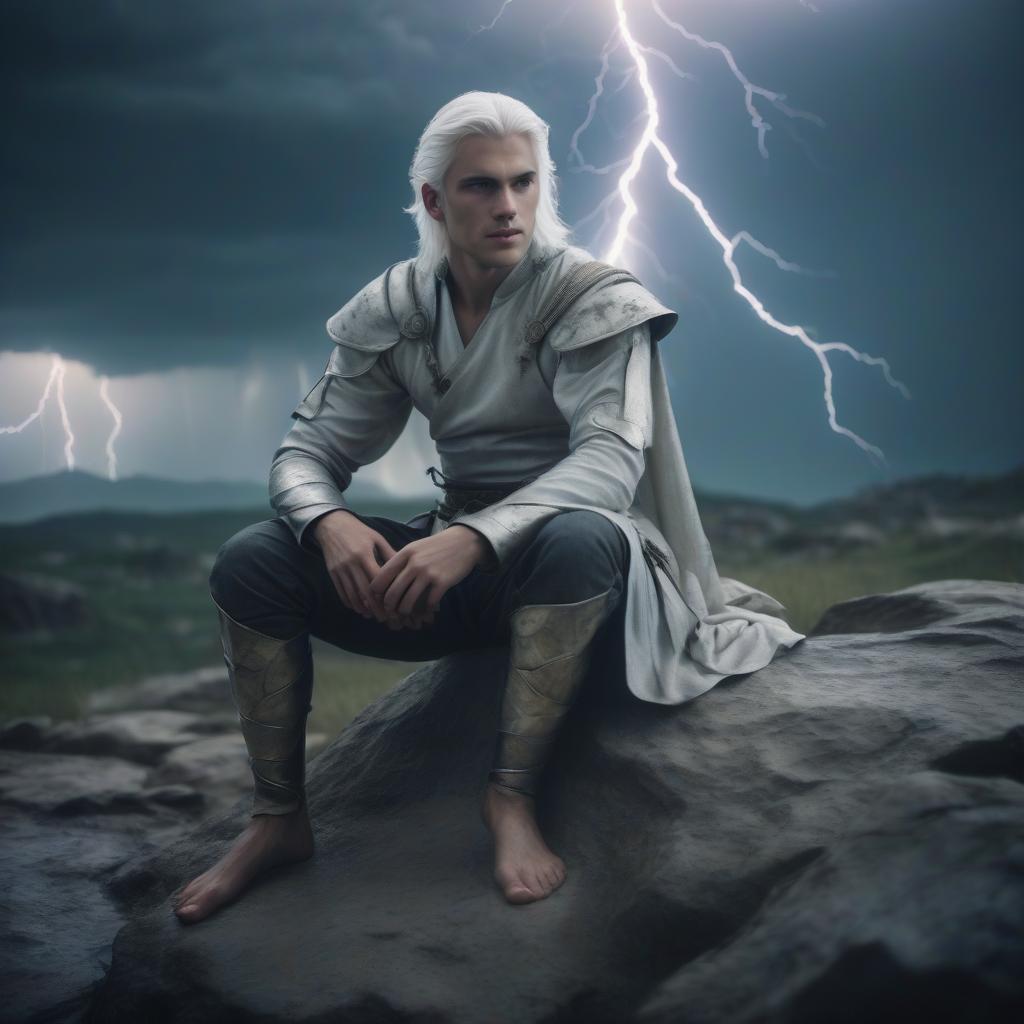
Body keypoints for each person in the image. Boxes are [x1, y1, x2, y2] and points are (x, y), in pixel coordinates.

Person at [172, 91, 805, 924]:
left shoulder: (588, 297)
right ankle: (278, 818)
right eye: (480, 186)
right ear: (434, 201)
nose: (508, 206)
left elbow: (612, 460)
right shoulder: (398, 306)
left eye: (523, 182)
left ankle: (511, 800)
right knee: (254, 558)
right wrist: (329, 525)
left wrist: (476, 538)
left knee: (579, 539)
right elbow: (306, 453)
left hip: (575, 574)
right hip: (453, 574)